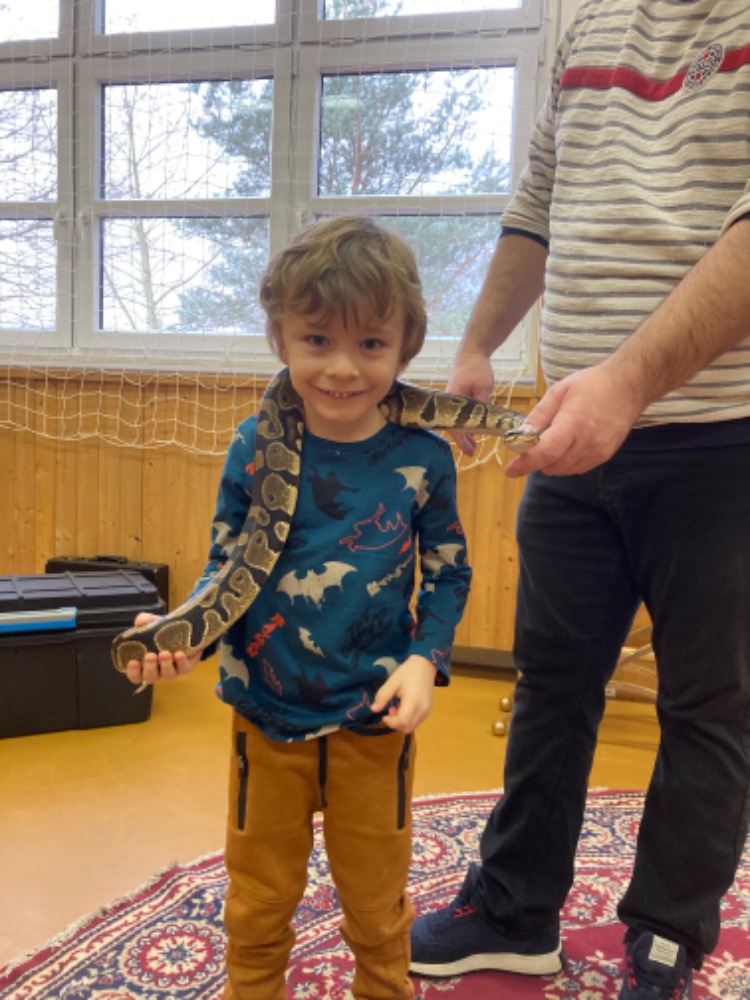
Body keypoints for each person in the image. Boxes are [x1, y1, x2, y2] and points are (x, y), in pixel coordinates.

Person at [408, 2, 750, 999]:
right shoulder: (589, 22)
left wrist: (627, 384)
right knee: (550, 686)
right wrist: (477, 344)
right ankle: (513, 911)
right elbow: (537, 205)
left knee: (710, 704)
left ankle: (667, 937)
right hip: (571, 432)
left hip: (724, 437)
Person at [124, 215, 472, 1000]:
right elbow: (226, 564)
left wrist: (426, 659)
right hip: (264, 713)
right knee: (256, 901)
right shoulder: (254, 445)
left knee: (377, 906)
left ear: (405, 348)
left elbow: (449, 572)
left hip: (372, 720)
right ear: (281, 337)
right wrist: (184, 634)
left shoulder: (424, 458)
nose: (342, 367)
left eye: (371, 344)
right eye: (317, 340)